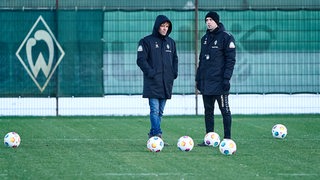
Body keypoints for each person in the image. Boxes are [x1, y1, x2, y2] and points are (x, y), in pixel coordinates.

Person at [196, 11, 236, 146]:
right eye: (206, 20)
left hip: (220, 83)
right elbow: (201, 61)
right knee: (208, 111)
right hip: (206, 82)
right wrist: (198, 79)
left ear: (217, 21)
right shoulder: (204, 39)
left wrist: (226, 79)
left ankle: (227, 139)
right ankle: (209, 139)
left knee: (225, 110)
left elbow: (230, 61)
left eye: (211, 20)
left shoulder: (226, 37)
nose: (208, 22)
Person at [137, 15, 178, 145]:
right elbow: (141, 60)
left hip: (166, 82)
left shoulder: (171, 43)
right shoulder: (146, 41)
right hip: (152, 82)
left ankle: (152, 134)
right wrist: (151, 73)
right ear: (157, 26)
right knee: (154, 110)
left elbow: (175, 59)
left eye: (167, 27)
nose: (165, 29)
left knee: (160, 111)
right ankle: (157, 135)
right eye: (162, 26)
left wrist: (174, 73)